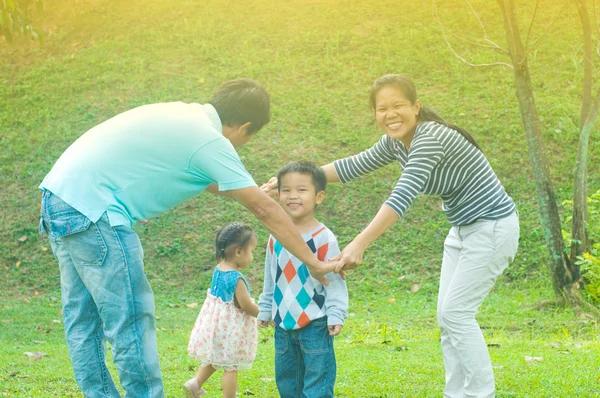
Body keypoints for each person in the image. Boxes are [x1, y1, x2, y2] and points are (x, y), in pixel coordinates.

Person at [38, 78, 336, 397]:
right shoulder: (210, 140)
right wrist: (312, 261)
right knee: (131, 319)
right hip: (97, 211)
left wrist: (247, 190)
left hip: (58, 198)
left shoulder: (183, 115)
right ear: (246, 126)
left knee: (82, 319)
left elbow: (196, 176)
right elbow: (265, 210)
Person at [261, 74, 520, 398]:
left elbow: (401, 196)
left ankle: (481, 394)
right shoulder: (397, 143)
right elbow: (351, 166)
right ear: (375, 114)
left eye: (398, 105)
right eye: (382, 108)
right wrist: (289, 180)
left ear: (416, 106)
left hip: (492, 227)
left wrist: (359, 244)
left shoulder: (430, 137)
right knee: (448, 318)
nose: (390, 114)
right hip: (462, 231)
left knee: (456, 314)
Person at [258, 161, 348, 398]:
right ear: (278, 194)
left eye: (301, 189)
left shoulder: (324, 237)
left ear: (319, 196)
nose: (292, 196)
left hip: (316, 323)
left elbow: (335, 279)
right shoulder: (275, 236)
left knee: (317, 385)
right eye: (286, 190)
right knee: (287, 384)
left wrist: (337, 312)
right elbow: (271, 276)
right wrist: (265, 308)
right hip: (282, 324)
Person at [185, 223, 260, 398]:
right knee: (231, 367)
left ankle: (195, 383)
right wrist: (263, 314)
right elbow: (246, 305)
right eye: (252, 251)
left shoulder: (219, 270)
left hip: (216, 326)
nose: (253, 257)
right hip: (231, 330)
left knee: (215, 357)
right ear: (239, 252)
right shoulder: (236, 278)